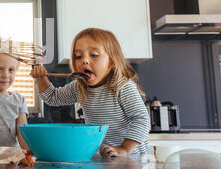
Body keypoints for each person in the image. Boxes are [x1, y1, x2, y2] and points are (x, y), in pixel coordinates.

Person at [30, 28, 150, 158]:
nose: (84, 61)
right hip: (104, 157)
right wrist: (40, 78)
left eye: (94, 55)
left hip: (132, 158)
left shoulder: (122, 87)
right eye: (78, 56)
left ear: (111, 62)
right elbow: (53, 98)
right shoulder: (79, 87)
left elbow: (142, 119)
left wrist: (124, 149)